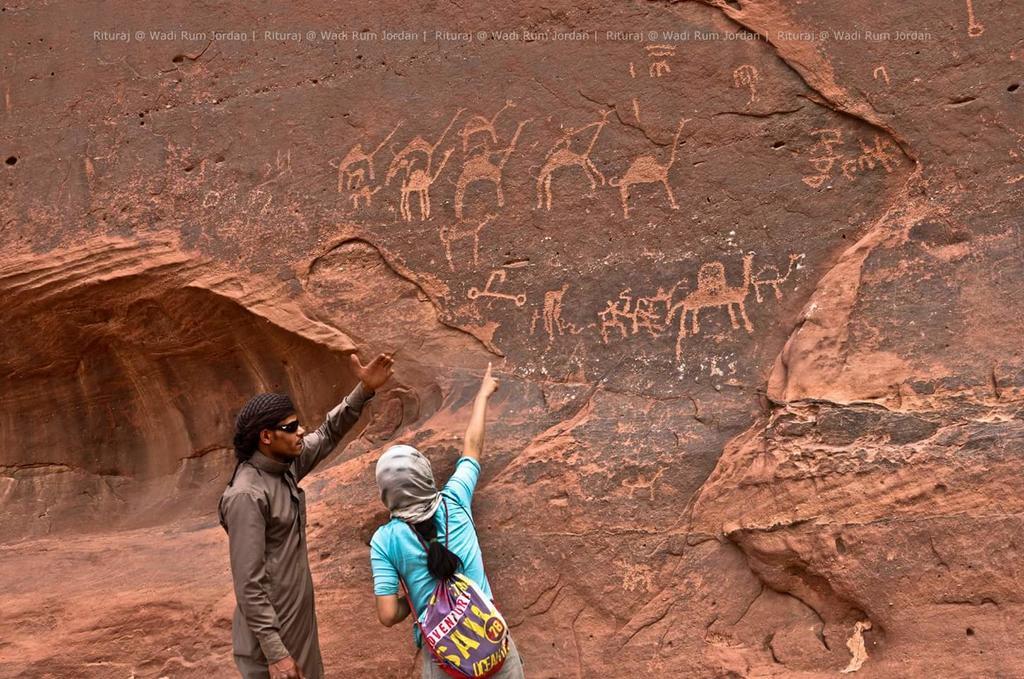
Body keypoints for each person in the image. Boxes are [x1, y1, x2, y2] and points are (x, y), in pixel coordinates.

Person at [220, 352, 394, 679]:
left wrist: (364, 390)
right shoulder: (247, 495)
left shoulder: (285, 466)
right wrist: (276, 655)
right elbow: (248, 585)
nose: (301, 431)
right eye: (291, 427)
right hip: (271, 647)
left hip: (298, 631)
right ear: (266, 436)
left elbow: (327, 433)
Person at [370, 363, 526, 678]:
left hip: (445, 661)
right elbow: (472, 447)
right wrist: (483, 395)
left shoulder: (385, 541)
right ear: (427, 477)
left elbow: (387, 614)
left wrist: (419, 599)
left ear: (386, 494)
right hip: (492, 645)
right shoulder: (455, 500)